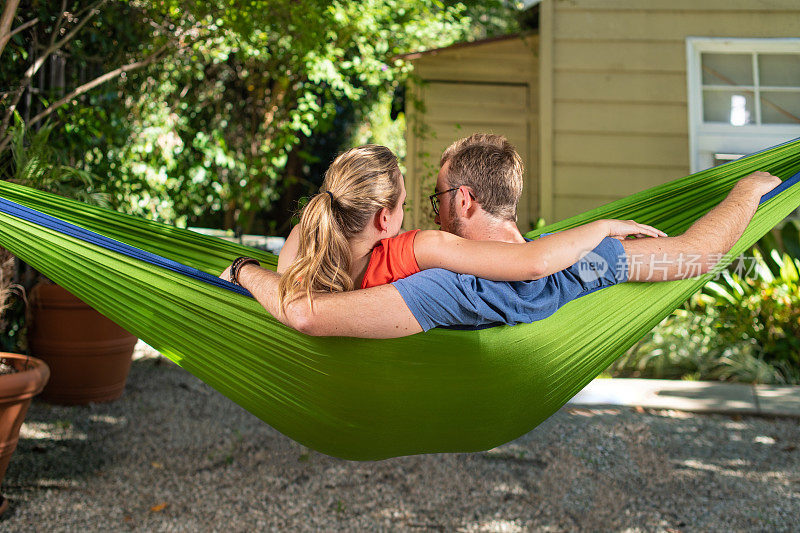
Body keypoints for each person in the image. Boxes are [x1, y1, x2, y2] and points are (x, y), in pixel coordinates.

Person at [221, 134, 781, 339]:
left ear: (462, 200)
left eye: (437, 200)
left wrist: (246, 273)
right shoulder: (578, 261)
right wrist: (750, 192)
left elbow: (302, 305)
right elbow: (698, 255)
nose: (433, 215)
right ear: (386, 216)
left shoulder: (434, 277)